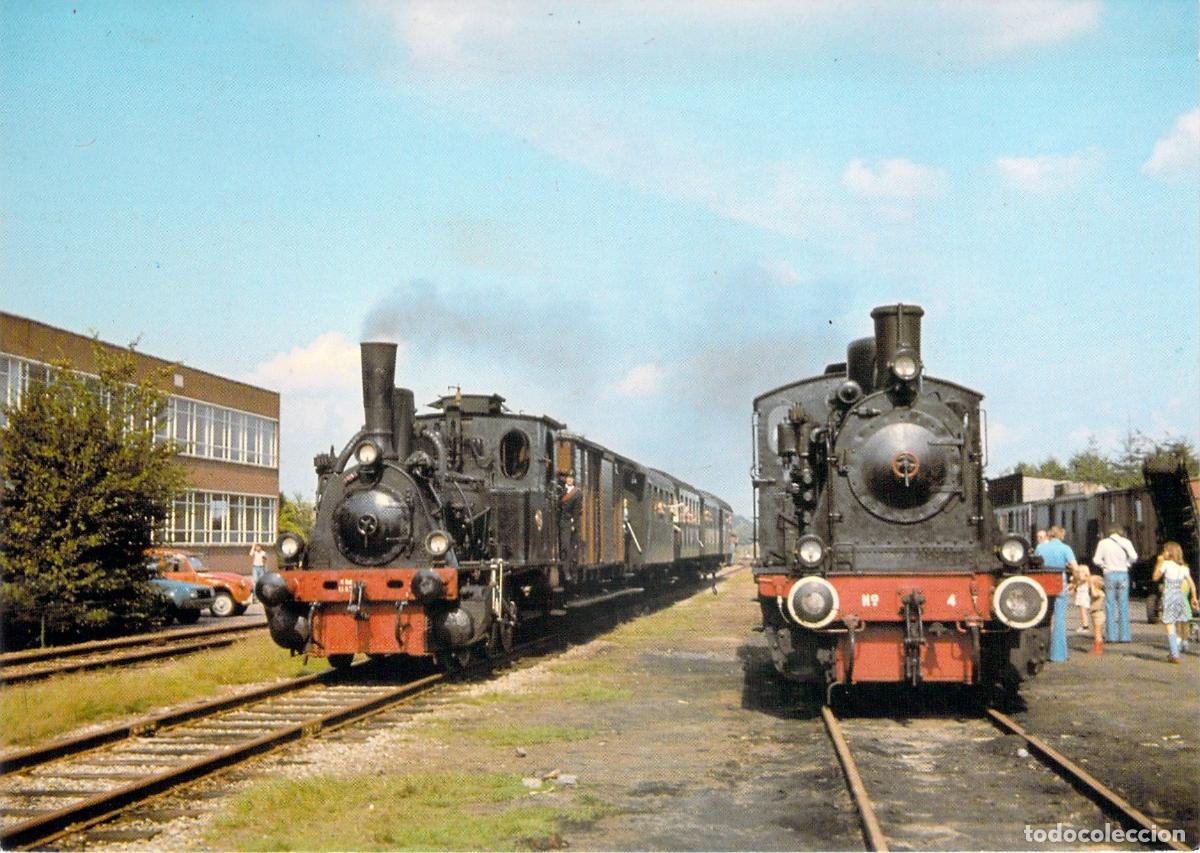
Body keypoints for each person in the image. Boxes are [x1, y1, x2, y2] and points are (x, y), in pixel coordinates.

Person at [1035, 525, 1078, 663]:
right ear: (1061, 536)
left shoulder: (1040, 548)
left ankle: (1041, 652)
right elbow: (1076, 568)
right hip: (1060, 582)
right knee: (1059, 619)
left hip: (1042, 583)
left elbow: (1034, 564)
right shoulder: (1066, 548)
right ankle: (1058, 654)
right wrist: (1075, 583)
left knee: (1043, 618)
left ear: (1049, 535)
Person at [1152, 541, 1198, 664]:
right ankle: (1176, 649)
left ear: (1170, 552)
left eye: (1164, 550)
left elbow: (1155, 577)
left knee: (1170, 625)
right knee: (1178, 623)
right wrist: (1194, 598)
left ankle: (1174, 653)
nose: (1163, 552)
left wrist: (1159, 562)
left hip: (1169, 596)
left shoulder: (1165, 564)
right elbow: (1192, 584)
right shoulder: (1184, 568)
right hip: (1180, 596)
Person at [1092, 524, 1137, 644]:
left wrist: (1104, 565)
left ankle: (1111, 636)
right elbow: (1134, 556)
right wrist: (1127, 564)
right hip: (1123, 575)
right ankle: (1125, 636)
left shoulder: (1103, 543)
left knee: (1110, 604)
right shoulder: (1126, 542)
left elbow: (1096, 559)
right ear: (1120, 532)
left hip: (1109, 575)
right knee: (1123, 604)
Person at [1087, 573, 1106, 655]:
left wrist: (1092, 586)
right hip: (1095, 614)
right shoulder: (1097, 592)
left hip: (1098, 614)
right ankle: (1097, 647)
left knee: (1097, 633)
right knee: (1096, 632)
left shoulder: (1099, 592)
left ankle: (1098, 649)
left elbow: (1094, 594)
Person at [1071, 563, 1092, 633]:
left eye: (1082, 571)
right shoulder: (1078, 580)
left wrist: (1079, 576)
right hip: (1080, 595)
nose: (1080, 573)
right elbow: (1074, 586)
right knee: (1082, 611)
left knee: (1083, 611)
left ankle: (1085, 626)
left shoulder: (1085, 579)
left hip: (1083, 595)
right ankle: (1084, 625)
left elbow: (1083, 580)